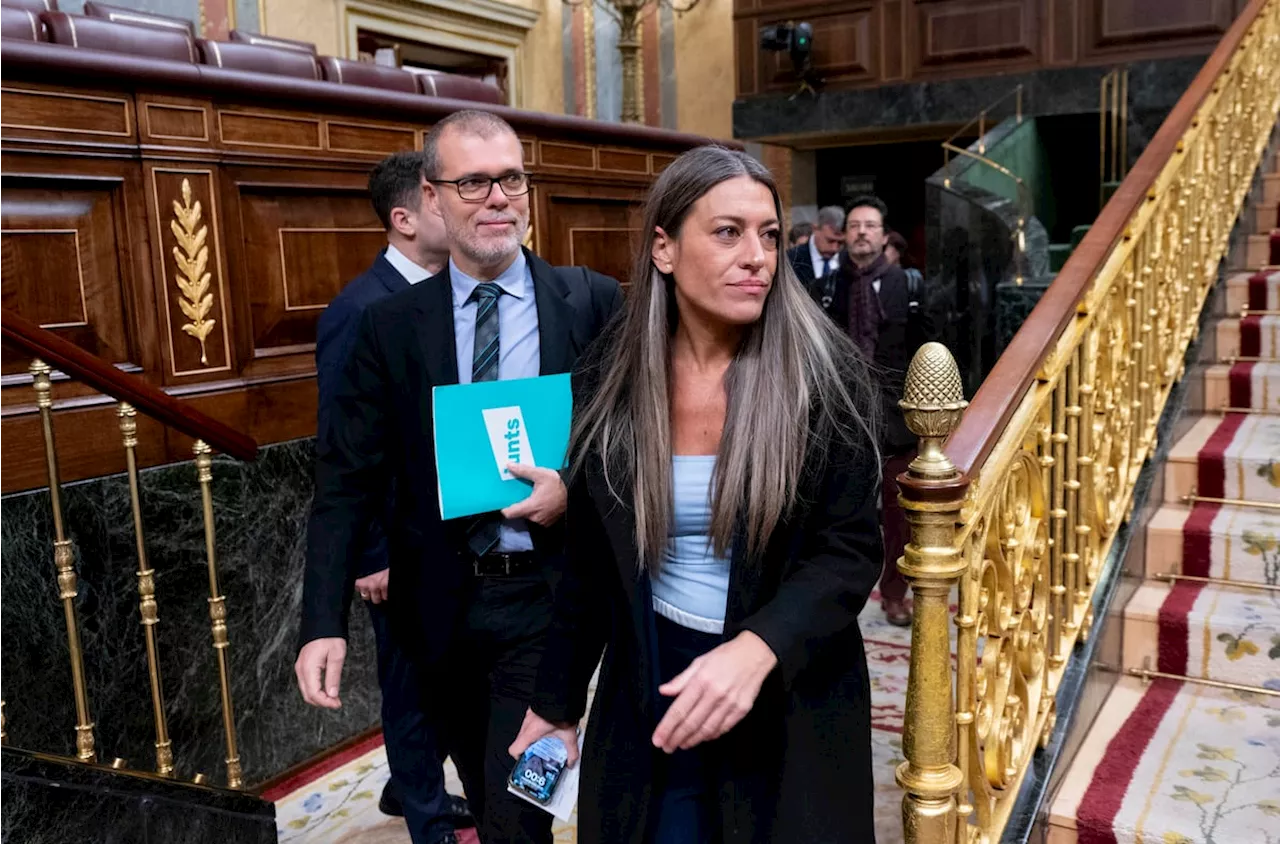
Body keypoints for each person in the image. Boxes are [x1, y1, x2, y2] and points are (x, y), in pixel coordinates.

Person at [510, 146, 883, 844]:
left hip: (786, 686)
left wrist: (757, 647)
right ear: (664, 248)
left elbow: (849, 553)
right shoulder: (611, 377)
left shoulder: (825, 377)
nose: (758, 257)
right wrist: (555, 703)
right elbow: (591, 563)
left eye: (769, 235)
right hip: (653, 678)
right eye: (727, 232)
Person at [301, 110, 623, 844]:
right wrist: (322, 622)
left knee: (521, 816)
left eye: (510, 178)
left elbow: (633, 446)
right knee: (483, 794)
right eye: (473, 182)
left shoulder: (591, 302)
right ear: (433, 196)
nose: (496, 197)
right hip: (438, 613)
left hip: (550, 613)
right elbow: (345, 476)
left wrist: (572, 489)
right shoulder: (391, 326)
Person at [296, 151, 473, 839]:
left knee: (444, 676)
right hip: (391, 544)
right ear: (405, 218)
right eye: (438, 199)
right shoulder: (358, 310)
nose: (455, 208)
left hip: (450, 530)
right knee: (408, 687)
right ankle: (427, 821)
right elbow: (344, 452)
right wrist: (371, 553)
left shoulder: (449, 294)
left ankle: (409, 786)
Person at [823, 196, 919, 627]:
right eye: (855, 225)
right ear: (845, 234)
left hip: (895, 419)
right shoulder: (827, 286)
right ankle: (834, 593)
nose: (862, 232)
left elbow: (927, 349)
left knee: (899, 514)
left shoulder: (907, 286)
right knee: (839, 509)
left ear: (883, 236)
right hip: (839, 416)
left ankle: (895, 592)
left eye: (870, 226)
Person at [784, 204, 844, 303]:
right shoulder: (791, 259)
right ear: (815, 229)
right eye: (830, 241)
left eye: (840, 243)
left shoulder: (848, 261)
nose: (834, 248)